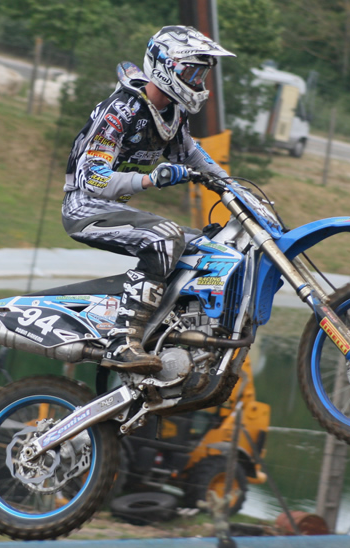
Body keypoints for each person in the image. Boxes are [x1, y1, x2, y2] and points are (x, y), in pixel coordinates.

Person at [62, 25, 235, 374]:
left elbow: (191, 154)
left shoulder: (173, 112)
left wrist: (232, 187)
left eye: (201, 75)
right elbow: (90, 178)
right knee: (165, 237)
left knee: (210, 248)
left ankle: (171, 335)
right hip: (84, 208)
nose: (198, 82)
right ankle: (121, 343)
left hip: (115, 207)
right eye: (192, 73)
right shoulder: (121, 110)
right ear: (165, 67)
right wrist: (149, 179)